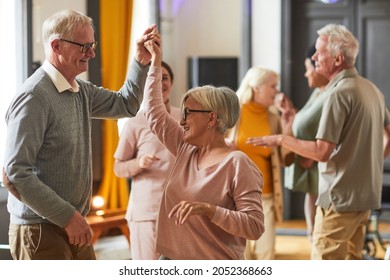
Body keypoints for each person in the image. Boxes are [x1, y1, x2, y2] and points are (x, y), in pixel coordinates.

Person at [1, 9, 160, 260]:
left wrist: (140, 62)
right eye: (84, 46)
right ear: (57, 46)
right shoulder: (33, 97)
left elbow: (126, 105)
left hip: (71, 223)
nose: (92, 54)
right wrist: (67, 217)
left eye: (92, 45)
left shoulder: (80, 90)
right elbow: (14, 173)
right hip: (41, 229)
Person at [247, 23, 390, 260]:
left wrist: (282, 138)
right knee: (353, 262)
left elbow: (321, 151)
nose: (314, 57)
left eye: (320, 52)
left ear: (337, 59)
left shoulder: (337, 93)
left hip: (339, 199)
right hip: (366, 196)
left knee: (323, 264)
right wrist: (370, 162)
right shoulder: (371, 89)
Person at [140, 36, 264, 260]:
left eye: (188, 113)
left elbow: (254, 226)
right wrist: (156, 61)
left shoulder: (237, 163)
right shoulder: (185, 148)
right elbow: (154, 112)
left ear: (212, 118)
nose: (181, 120)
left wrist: (209, 210)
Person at [113, 61, 180, 260]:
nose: (160, 83)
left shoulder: (184, 118)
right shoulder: (135, 121)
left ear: (172, 83)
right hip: (147, 213)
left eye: (165, 78)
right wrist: (138, 163)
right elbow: (118, 167)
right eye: (154, 78)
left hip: (180, 212)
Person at [226, 66, 293, 260]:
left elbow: (286, 159)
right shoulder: (232, 113)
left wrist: (287, 130)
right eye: (273, 86)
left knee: (266, 254)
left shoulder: (273, 118)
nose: (277, 91)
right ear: (256, 88)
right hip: (234, 197)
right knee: (239, 255)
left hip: (266, 197)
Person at [279, 44, 329, 241]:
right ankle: (312, 234)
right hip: (309, 156)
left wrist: (314, 158)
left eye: (308, 67)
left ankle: (315, 236)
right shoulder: (318, 92)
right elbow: (309, 118)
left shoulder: (330, 95)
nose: (306, 73)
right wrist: (293, 113)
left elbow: (333, 131)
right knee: (311, 197)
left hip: (317, 158)